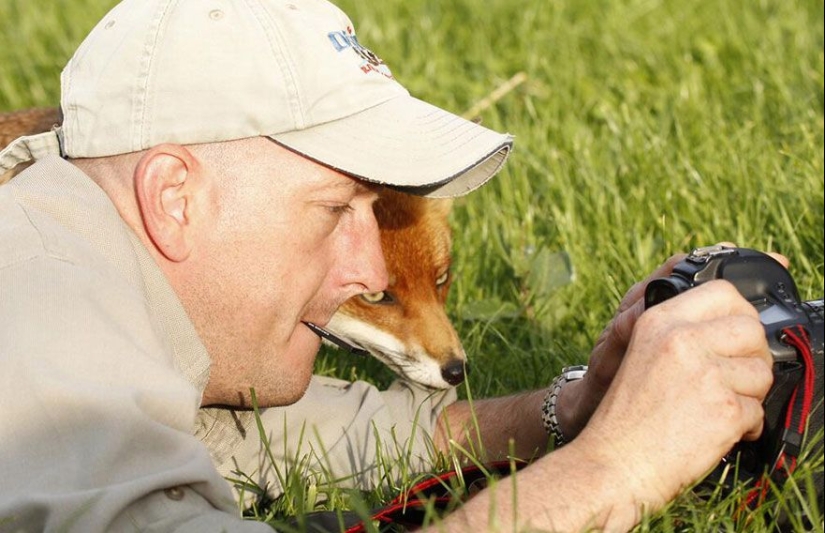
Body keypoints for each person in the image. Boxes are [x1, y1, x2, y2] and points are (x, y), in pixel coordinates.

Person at [0, 0, 777, 531]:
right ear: (174, 196)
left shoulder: (99, 275)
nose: (372, 266)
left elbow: (287, 434)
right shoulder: (36, 303)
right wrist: (616, 466)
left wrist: (574, 407)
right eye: (337, 208)